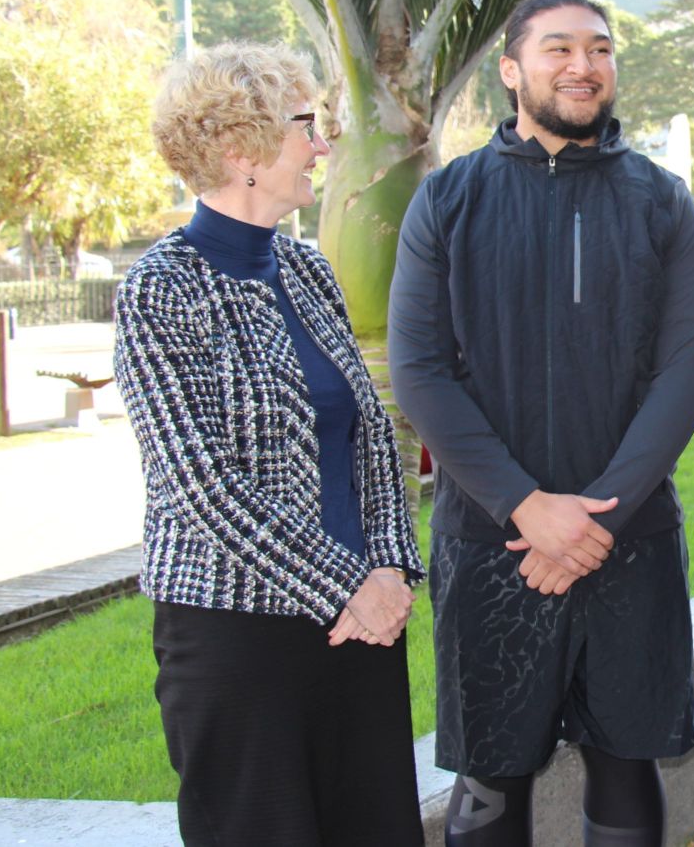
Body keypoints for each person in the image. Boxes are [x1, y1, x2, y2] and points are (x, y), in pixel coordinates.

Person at [387, 0, 694, 847]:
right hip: (493, 542)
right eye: (558, 49)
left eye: (600, 49)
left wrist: (594, 518)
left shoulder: (661, 202)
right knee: (489, 772)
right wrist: (529, 509)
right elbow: (420, 373)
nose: (584, 66)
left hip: (629, 539)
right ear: (511, 71)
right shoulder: (447, 200)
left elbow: (686, 374)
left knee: (625, 759)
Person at [114, 42, 426, 845]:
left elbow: (369, 438)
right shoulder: (160, 288)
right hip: (238, 638)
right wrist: (345, 585)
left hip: (362, 628)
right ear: (240, 150)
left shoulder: (308, 269)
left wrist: (389, 569)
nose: (322, 146)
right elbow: (201, 483)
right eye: (305, 127)